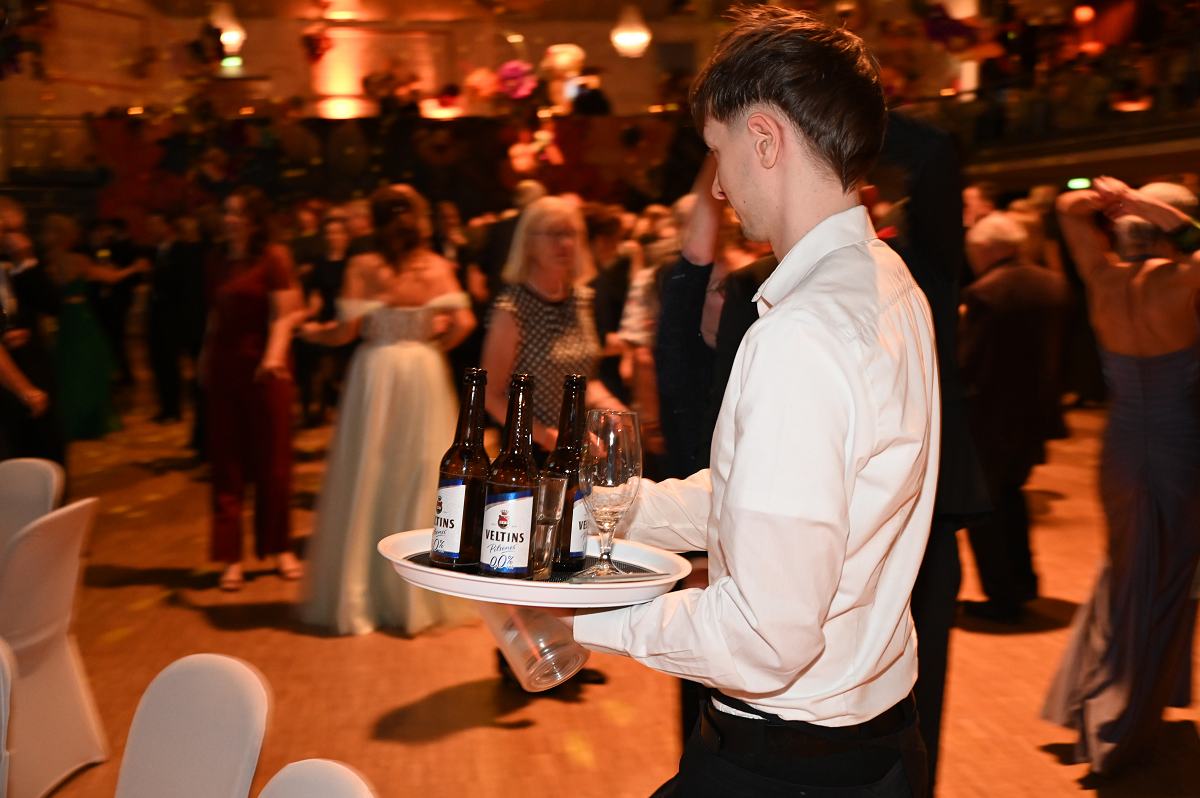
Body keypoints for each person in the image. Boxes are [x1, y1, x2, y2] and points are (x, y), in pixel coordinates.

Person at [557, 9, 939, 795]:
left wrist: (575, 616)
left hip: (787, 766)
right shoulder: (889, 282)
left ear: (764, 139)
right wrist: (600, 514)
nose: (720, 185)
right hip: (873, 746)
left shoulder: (801, 334)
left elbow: (765, 638)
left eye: (718, 151)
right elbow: (770, 500)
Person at [1042, 177, 1200, 777]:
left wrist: (1112, 199)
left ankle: (1105, 703)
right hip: (1178, 450)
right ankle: (1122, 723)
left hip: (1121, 449)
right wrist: (1145, 204)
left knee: (1128, 572)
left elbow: (1066, 207)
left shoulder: (1103, 278)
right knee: (1164, 581)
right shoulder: (1185, 280)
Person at [299, 185, 477, 636]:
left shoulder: (362, 266)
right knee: (421, 474)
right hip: (421, 372)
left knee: (369, 473)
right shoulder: (437, 266)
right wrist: (432, 347)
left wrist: (314, 334)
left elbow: (344, 333)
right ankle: (417, 597)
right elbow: (465, 323)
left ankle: (363, 595)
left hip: (376, 371)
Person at [958, 212, 1069, 623]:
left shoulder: (986, 293)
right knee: (1012, 499)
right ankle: (1023, 585)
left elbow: (968, 362)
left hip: (989, 419)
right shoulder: (1052, 284)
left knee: (987, 510)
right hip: (1034, 411)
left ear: (987, 249)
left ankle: (1002, 597)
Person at [201, 187, 304, 591]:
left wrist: (273, 357)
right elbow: (213, 318)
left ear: (255, 220)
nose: (230, 219)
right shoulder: (216, 260)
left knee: (273, 464)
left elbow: (286, 315)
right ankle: (230, 557)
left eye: (239, 213)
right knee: (226, 462)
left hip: (267, 369)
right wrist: (203, 361)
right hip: (224, 366)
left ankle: (279, 547)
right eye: (227, 211)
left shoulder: (274, 257)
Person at [479, 195, 624, 456]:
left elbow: (585, 379)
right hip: (526, 451)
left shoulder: (581, 300)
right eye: (554, 234)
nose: (565, 244)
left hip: (573, 445)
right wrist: (548, 437)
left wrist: (611, 408)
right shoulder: (512, 309)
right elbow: (491, 395)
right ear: (529, 243)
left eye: (571, 234)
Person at [42, 215, 135, 441]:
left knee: (68, 370)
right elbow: (111, 278)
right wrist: (135, 267)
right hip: (81, 320)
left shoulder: (47, 261)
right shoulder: (78, 260)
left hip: (63, 320)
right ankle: (88, 421)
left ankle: (68, 419)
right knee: (90, 368)